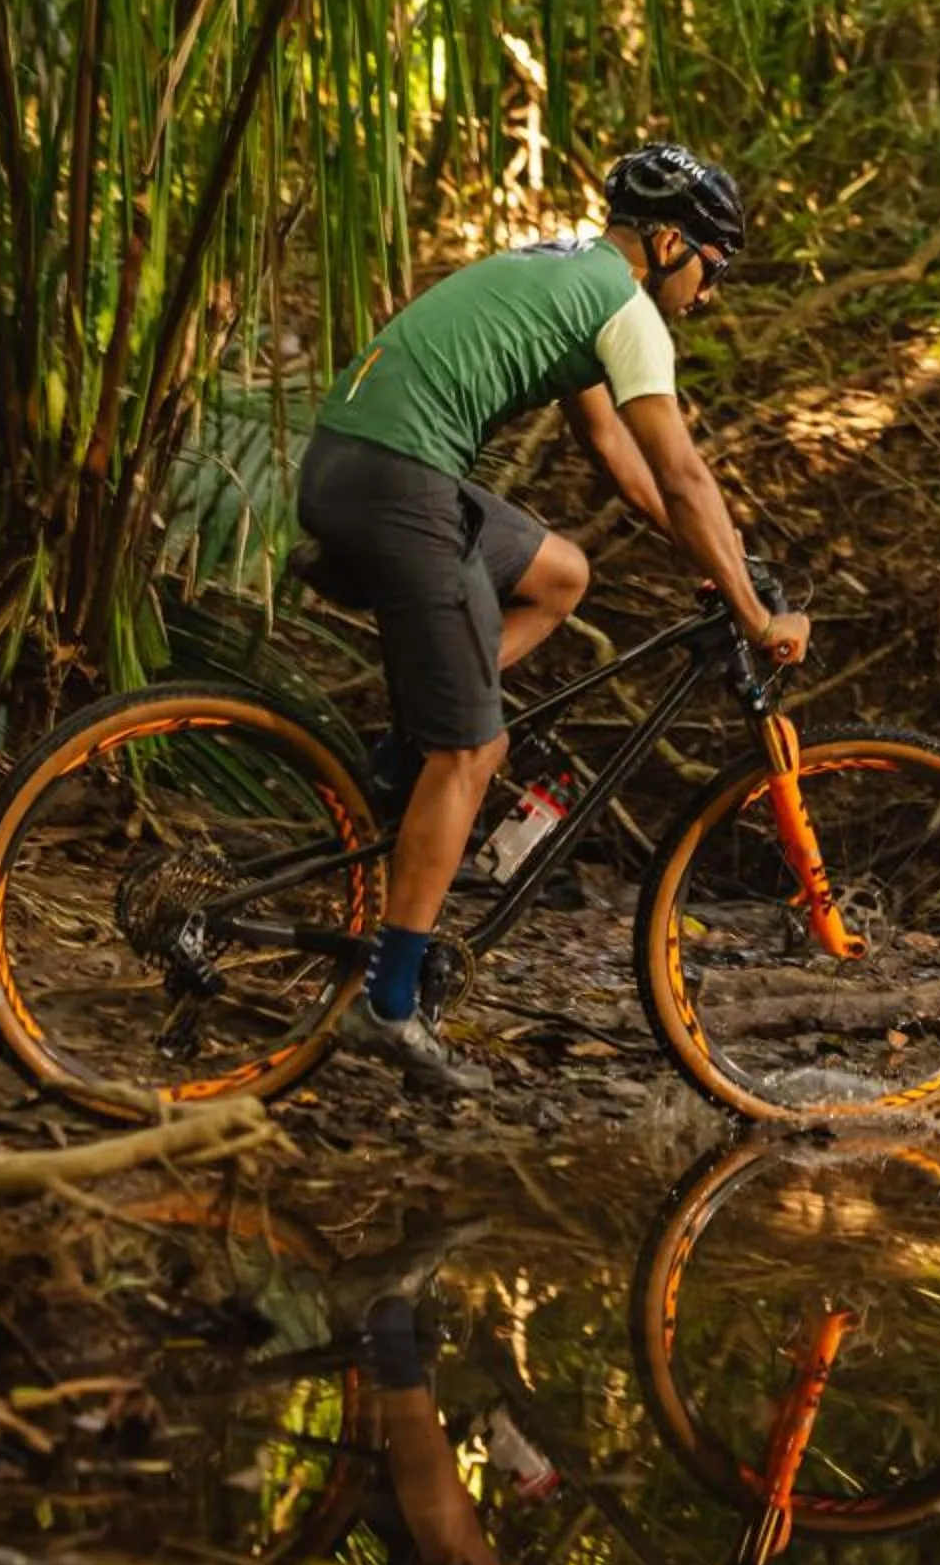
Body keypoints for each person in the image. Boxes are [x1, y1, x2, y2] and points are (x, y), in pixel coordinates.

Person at [295, 143, 810, 1099]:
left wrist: (717, 562)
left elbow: (619, 456)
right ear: (667, 243)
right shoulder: (629, 313)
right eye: (713, 268)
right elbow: (687, 475)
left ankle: (419, 741)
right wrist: (753, 611)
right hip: (399, 485)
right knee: (473, 753)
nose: (711, 293)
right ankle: (390, 1006)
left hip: (353, 467)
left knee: (561, 574)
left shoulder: (567, 271)